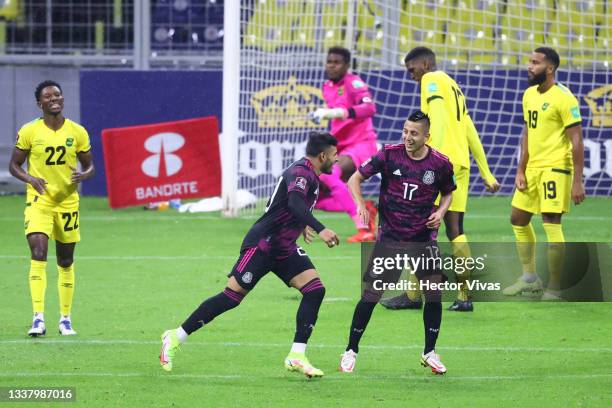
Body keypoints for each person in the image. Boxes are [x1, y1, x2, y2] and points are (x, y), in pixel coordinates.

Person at [160, 132, 341, 378]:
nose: (337, 159)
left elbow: (284, 205)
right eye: (334, 155)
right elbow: (294, 205)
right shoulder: (301, 173)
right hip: (263, 245)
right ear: (323, 155)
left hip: (284, 247)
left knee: (314, 289)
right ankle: (175, 336)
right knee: (231, 297)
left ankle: (297, 355)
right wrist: (321, 228)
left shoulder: (309, 174)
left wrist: (302, 225)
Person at [381, 46, 500, 312]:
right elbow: (468, 128)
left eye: (411, 69)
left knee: (415, 225)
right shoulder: (453, 86)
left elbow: (437, 120)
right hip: (460, 163)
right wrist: (486, 171)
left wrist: (432, 157)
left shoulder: (431, 79)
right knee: (455, 230)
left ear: (424, 63)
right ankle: (464, 296)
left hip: (438, 165)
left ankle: (413, 295)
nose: (411, 75)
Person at [339, 111, 456, 375]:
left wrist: (441, 212)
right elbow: (354, 178)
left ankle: (429, 352)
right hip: (390, 238)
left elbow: (448, 192)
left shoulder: (440, 163)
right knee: (371, 295)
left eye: (414, 133)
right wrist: (360, 204)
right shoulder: (389, 154)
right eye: (405, 131)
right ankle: (350, 350)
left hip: (422, 240)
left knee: (434, 294)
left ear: (427, 136)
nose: (408, 137)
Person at [9, 80, 94, 337]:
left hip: (67, 202)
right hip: (39, 201)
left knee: (65, 260)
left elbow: (90, 166)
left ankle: (65, 318)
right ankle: (38, 318)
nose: (54, 99)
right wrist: (31, 179)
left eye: (57, 95)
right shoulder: (29, 131)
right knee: (38, 252)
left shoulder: (77, 132)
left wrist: (83, 175)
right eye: (48, 96)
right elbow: (15, 165)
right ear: (40, 103)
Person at [504, 47, 585, 300]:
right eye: (529, 61)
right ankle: (530, 278)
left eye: (535, 63)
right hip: (532, 169)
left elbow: (577, 140)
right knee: (517, 219)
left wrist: (577, 181)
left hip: (556, 167)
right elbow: (528, 133)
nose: (529, 66)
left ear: (549, 68)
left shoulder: (564, 98)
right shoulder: (528, 95)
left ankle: (556, 286)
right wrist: (521, 168)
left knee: (551, 222)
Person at [308, 46, 378, 243]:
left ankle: (363, 227)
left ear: (347, 65)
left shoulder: (354, 82)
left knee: (331, 174)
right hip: (342, 146)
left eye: (337, 62)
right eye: (329, 61)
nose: (332, 65)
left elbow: (369, 107)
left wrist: (337, 113)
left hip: (362, 144)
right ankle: (367, 208)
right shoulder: (327, 86)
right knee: (317, 191)